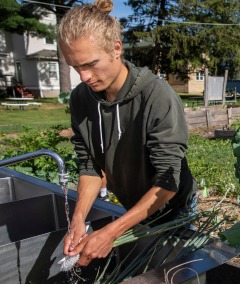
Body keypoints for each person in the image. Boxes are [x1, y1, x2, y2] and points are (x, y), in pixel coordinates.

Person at [58, 0, 198, 267]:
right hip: (133, 205)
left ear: (116, 48)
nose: (84, 76)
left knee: (175, 277)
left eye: (90, 64)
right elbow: (90, 168)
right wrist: (77, 221)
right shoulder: (81, 99)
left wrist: (112, 231)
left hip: (173, 208)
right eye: (75, 67)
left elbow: (168, 183)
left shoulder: (156, 96)